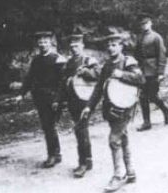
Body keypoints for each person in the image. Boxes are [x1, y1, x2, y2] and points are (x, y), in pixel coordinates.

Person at [81, 32, 145, 193]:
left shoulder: (128, 61)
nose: (110, 48)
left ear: (121, 46)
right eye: (108, 45)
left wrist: (122, 74)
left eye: (114, 45)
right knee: (122, 137)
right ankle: (130, 172)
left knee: (114, 140)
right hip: (111, 107)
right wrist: (89, 106)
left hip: (125, 107)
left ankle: (118, 175)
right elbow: (98, 88)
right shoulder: (107, 65)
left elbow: (140, 79)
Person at [11, 31, 67, 168]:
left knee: (50, 126)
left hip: (53, 99)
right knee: (47, 127)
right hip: (40, 98)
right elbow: (29, 78)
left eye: (45, 42)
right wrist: (21, 94)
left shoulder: (58, 59)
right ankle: (55, 154)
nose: (42, 44)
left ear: (50, 43)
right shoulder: (36, 60)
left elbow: (63, 82)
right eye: (40, 42)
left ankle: (53, 155)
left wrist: (58, 100)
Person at [58, 34, 101, 178]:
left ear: (82, 45)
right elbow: (64, 82)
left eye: (76, 45)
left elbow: (98, 75)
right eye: (71, 46)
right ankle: (88, 160)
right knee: (80, 130)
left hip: (86, 100)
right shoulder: (69, 63)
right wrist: (61, 100)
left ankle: (83, 163)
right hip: (73, 100)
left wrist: (86, 72)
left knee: (80, 129)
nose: (74, 48)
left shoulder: (89, 60)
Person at [134, 14, 168, 131]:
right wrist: (137, 67)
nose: (144, 26)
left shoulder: (156, 37)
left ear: (151, 23)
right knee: (143, 97)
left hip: (154, 70)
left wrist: (160, 72)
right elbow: (137, 53)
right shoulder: (139, 38)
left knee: (153, 96)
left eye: (146, 23)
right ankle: (146, 122)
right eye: (142, 24)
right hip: (143, 70)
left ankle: (165, 109)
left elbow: (162, 55)